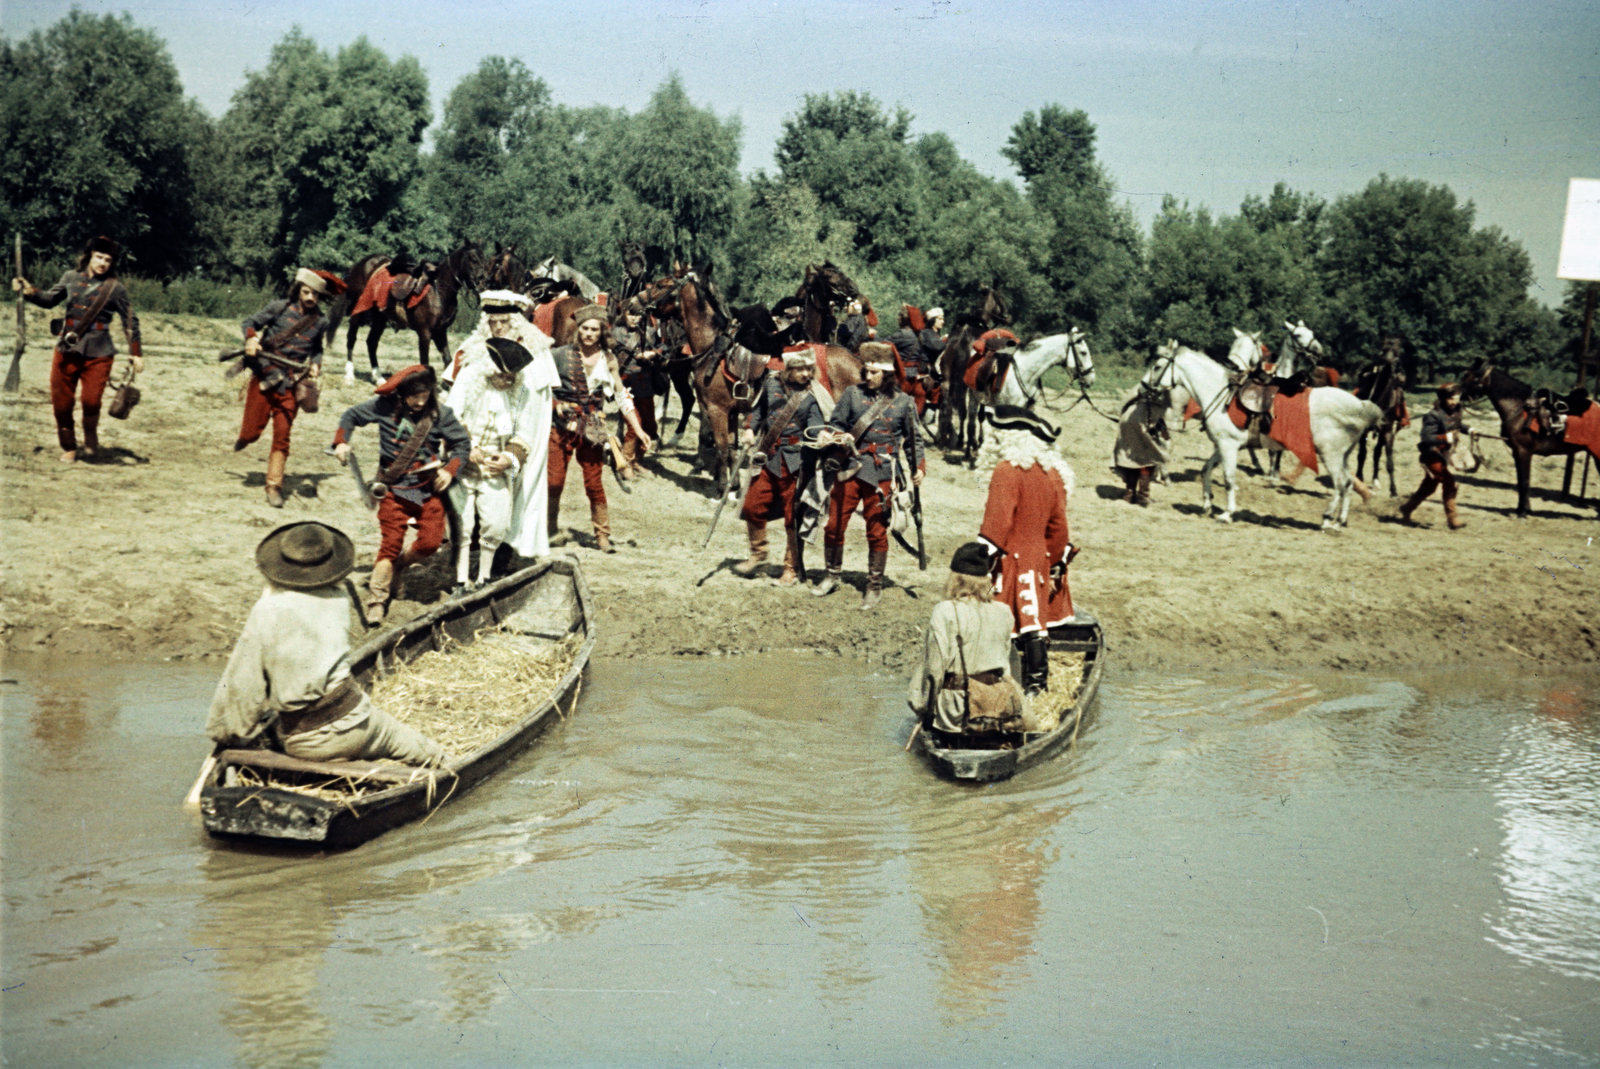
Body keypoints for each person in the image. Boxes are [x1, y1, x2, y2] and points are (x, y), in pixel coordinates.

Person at [206, 521, 446, 765]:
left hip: (304, 741)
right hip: (358, 722)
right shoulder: (337, 597)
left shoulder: (268, 610)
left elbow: (243, 685)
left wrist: (227, 733)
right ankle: (445, 763)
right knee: (432, 754)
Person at [334, 365, 472, 623]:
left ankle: (398, 566)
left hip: (427, 491)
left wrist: (450, 471)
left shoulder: (442, 414)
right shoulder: (384, 406)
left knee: (431, 543)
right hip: (393, 491)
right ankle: (377, 600)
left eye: (425, 394)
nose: (421, 401)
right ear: (402, 393)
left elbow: (462, 444)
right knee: (390, 544)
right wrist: (341, 441)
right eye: (414, 395)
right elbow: (351, 415)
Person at [13, 235, 142, 462]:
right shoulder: (70, 278)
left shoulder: (115, 289)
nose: (102, 263)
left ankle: (90, 437)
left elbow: (130, 321)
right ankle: (69, 446)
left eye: (107, 260)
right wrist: (29, 291)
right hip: (66, 349)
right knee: (61, 402)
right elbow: (49, 299)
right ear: (89, 257)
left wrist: (136, 353)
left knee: (91, 401)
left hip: (100, 353)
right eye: (99, 257)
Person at [975, 405, 1076, 695]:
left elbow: (997, 525)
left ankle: (1000, 685)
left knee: (1004, 622)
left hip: (1009, 560)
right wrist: (1054, 561)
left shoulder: (1006, 471)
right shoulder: (1053, 474)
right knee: (1033, 622)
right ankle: (1037, 689)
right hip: (1039, 560)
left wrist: (977, 561)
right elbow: (1059, 530)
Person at [815, 342, 924, 608]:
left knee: (876, 531)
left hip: (883, 474)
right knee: (834, 525)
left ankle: (874, 586)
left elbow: (914, 441)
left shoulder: (905, 403)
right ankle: (831, 575)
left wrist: (918, 468)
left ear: (887, 375)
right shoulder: (852, 394)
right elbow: (836, 423)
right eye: (866, 371)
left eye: (874, 373)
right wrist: (837, 435)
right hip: (850, 468)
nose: (867, 377)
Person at [548, 304, 654, 553]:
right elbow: (539, 389)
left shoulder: (608, 359)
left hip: (592, 428)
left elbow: (621, 397)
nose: (588, 333)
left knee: (594, 483)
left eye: (594, 329)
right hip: (561, 427)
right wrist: (557, 405)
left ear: (602, 332)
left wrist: (638, 430)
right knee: (553, 481)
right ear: (578, 329)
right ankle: (550, 530)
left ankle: (602, 536)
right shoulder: (559, 355)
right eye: (584, 328)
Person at [235, 268, 344, 506]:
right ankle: (246, 437)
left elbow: (316, 348)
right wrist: (252, 338)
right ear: (298, 290)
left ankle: (274, 486)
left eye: (315, 295)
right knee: (251, 432)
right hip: (264, 376)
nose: (310, 298)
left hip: (291, 384)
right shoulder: (279, 308)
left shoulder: (320, 321)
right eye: (306, 292)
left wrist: (315, 363)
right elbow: (249, 322)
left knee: (282, 436)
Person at [445, 337, 546, 592]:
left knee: (497, 522)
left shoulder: (519, 391)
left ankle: (484, 579)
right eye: (503, 375)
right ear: (490, 368)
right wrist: (467, 447)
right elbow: (450, 418)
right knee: (462, 525)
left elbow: (524, 432)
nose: (507, 381)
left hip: (494, 469)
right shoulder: (468, 380)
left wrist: (507, 459)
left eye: (512, 376)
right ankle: (460, 580)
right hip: (463, 465)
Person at [907, 542, 1025, 736]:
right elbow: (1006, 665)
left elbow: (934, 671)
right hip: (998, 709)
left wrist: (923, 708)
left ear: (955, 579)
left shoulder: (944, 611)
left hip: (957, 713)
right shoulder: (1004, 612)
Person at [733, 348, 826, 586]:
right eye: (800, 369)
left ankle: (791, 568)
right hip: (768, 457)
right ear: (788, 370)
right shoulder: (771, 385)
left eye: (809, 369)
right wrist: (750, 428)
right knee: (752, 506)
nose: (806, 374)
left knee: (792, 518)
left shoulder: (812, 397)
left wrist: (821, 436)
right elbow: (759, 411)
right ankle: (758, 554)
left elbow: (815, 426)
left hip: (796, 463)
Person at [1399, 384, 1475, 530]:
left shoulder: (1456, 410)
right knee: (1449, 482)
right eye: (1451, 399)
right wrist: (1445, 437)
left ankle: (1407, 508)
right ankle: (1453, 519)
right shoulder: (1433, 415)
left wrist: (1470, 429)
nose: (1455, 401)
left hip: (1444, 455)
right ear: (1443, 398)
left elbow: (1458, 425)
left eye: (1457, 398)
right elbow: (1426, 437)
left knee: (1429, 487)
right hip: (1431, 455)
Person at [445, 289, 546, 385]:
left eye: (504, 321)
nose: (498, 327)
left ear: (515, 322)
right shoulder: (472, 346)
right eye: (493, 322)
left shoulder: (534, 346)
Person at [610, 297, 663, 476]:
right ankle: (626, 463)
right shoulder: (615, 333)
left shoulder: (650, 332)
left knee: (649, 426)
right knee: (635, 425)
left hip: (645, 383)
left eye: (637, 315)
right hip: (625, 382)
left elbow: (663, 349)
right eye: (630, 314)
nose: (633, 318)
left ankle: (638, 460)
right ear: (624, 314)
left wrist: (652, 353)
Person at [1112, 386, 1171, 506]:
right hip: (1140, 420)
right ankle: (1143, 495)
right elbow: (1156, 416)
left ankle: (1129, 494)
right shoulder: (1163, 392)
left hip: (1128, 418)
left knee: (1132, 457)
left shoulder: (1143, 386)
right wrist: (1164, 432)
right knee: (1149, 458)